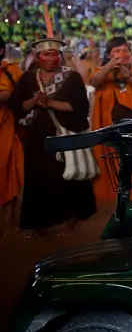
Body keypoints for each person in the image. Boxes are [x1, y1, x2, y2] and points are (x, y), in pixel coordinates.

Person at [9, 37, 96, 238]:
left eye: (55, 53)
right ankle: (38, 223)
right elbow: (17, 106)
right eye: (46, 54)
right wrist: (35, 101)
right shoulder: (28, 78)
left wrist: (48, 102)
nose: (51, 58)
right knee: (37, 179)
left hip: (64, 135)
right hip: (37, 139)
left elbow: (79, 107)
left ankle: (71, 220)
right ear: (37, 57)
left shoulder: (71, 77)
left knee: (67, 177)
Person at [89, 36, 132, 201]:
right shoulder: (100, 70)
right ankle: (117, 198)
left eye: (125, 50)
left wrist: (125, 72)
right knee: (112, 160)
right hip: (109, 125)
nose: (121, 54)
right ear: (109, 55)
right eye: (117, 51)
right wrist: (109, 68)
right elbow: (95, 82)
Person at [0, 36, 24, 236]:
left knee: (7, 170)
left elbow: (17, 94)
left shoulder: (11, 70)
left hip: (6, 127)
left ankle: (9, 216)